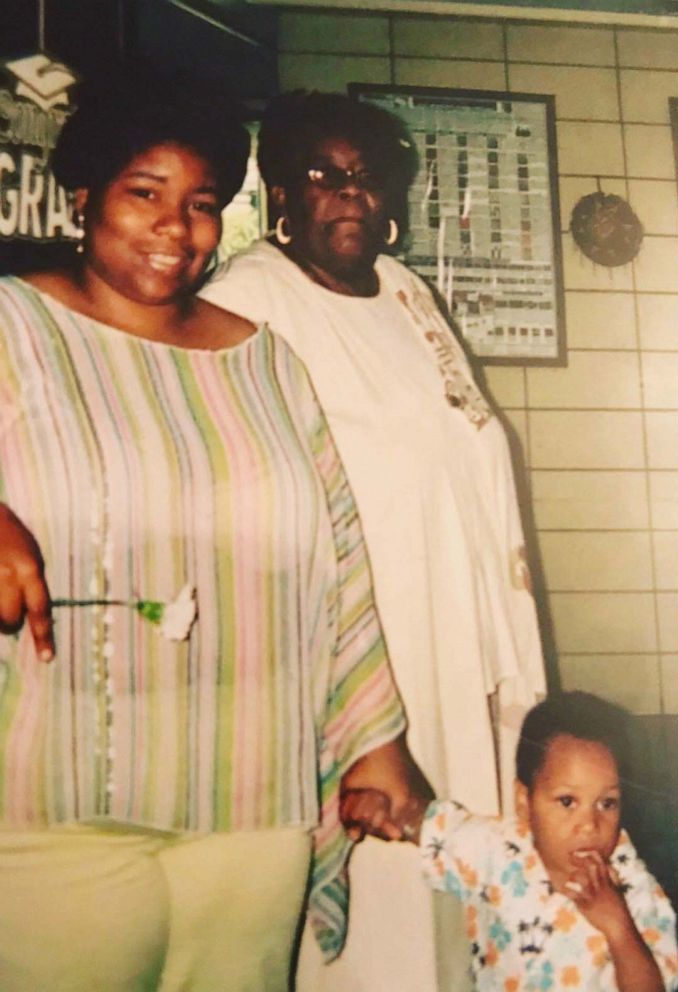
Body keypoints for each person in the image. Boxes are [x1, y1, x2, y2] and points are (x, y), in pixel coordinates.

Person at [0, 73, 430, 992]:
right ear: (83, 199)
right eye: (143, 193)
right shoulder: (14, 326)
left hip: (253, 789)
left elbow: (338, 551)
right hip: (54, 792)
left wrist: (373, 739)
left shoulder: (263, 359)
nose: (174, 228)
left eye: (200, 205)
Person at [200, 89, 547, 991]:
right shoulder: (247, 302)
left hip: (450, 630)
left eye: (366, 177)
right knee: (379, 891)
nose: (348, 195)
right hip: (358, 651)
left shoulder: (406, 292)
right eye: (321, 175)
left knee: (457, 866)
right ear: (279, 189)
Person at [342, 691, 678, 992]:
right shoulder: (496, 851)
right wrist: (378, 806)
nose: (589, 826)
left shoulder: (632, 888)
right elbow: (427, 825)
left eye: (606, 803)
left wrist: (618, 926)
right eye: (567, 802)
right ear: (524, 802)